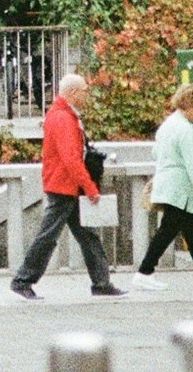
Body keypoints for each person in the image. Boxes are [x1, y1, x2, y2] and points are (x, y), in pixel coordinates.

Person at [10, 72, 122, 300]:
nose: (86, 96)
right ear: (72, 93)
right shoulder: (64, 118)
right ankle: (23, 280)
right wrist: (89, 187)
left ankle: (101, 282)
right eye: (83, 92)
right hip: (64, 186)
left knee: (80, 235)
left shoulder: (62, 115)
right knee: (51, 236)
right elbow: (71, 158)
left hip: (65, 185)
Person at [132, 85, 193, 286]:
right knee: (168, 230)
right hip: (181, 188)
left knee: (190, 227)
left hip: (170, 185)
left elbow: (158, 154)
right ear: (189, 105)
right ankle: (144, 272)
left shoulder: (168, 126)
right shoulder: (185, 130)